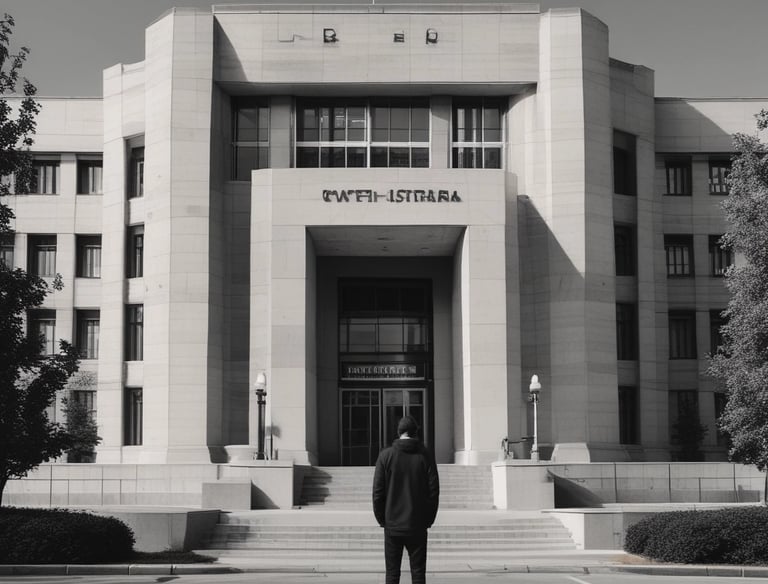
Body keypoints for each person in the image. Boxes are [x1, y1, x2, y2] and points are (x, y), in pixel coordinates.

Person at [372, 415, 440, 584]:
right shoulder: (425, 456)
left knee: (392, 574)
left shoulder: (385, 456)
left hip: (393, 525)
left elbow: (377, 494)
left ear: (399, 432)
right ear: (416, 433)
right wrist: (428, 520)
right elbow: (434, 492)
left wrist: (383, 520)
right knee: (418, 573)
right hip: (417, 524)